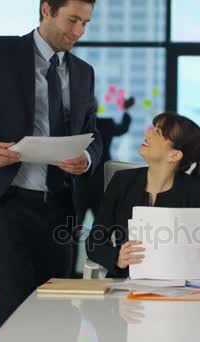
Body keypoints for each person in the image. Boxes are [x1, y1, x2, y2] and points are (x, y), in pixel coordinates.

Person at [0, 0, 101, 340]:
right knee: (14, 308)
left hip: (60, 207)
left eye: (86, 23)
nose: (79, 31)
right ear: (46, 9)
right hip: (6, 202)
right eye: (72, 20)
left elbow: (93, 133)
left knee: (55, 308)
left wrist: (86, 158)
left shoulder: (84, 72)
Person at [85, 112, 200, 278]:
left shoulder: (195, 190)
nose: (147, 133)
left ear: (174, 155)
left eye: (157, 132)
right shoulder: (122, 181)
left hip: (181, 292)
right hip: (126, 289)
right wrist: (117, 259)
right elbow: (94, 243)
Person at [72, 96, 133, 274]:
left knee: (101, 231)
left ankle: (106, 268)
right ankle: (70, 272)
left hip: (94, 185)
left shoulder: (101, 124)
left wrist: (126, 111)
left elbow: (122, 128)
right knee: (77, 231)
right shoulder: (77, 128)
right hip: (84, 185)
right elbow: (123, 128)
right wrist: (126, 110)